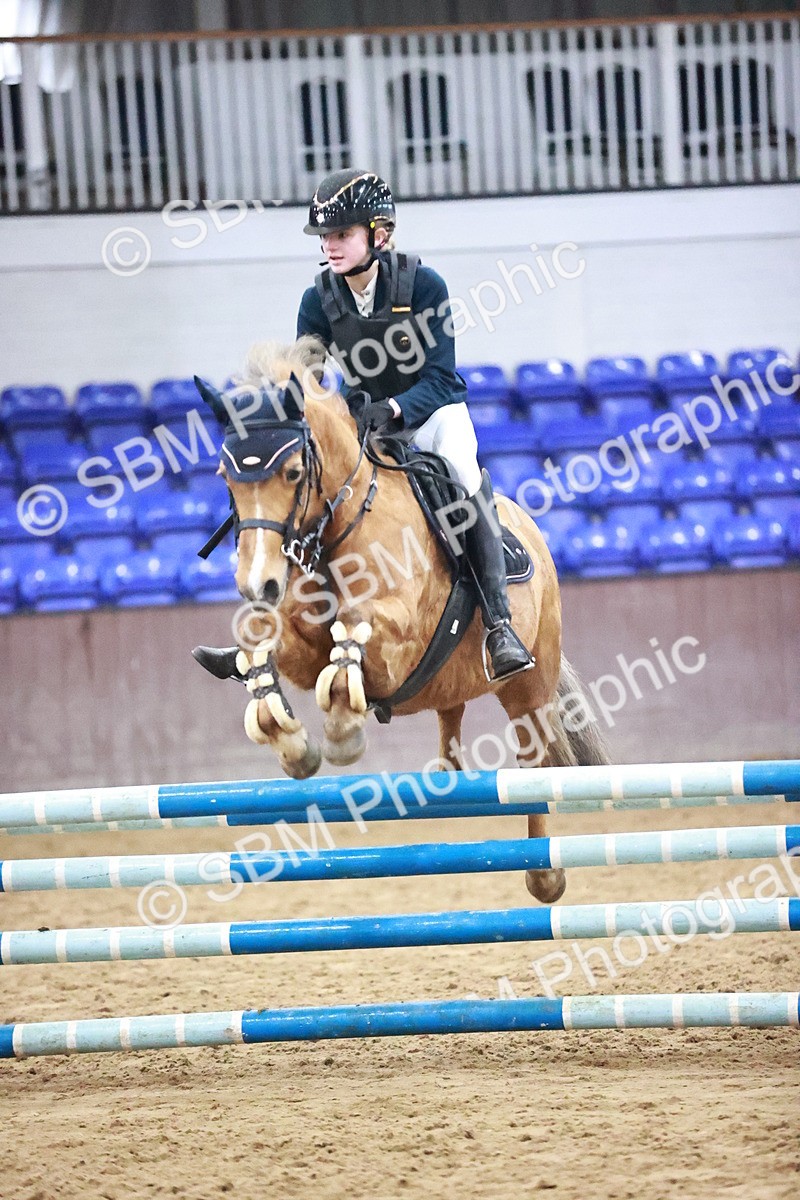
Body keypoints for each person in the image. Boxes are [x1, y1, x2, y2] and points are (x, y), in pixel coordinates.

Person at [194, 168, 532, 683]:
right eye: (326, 237)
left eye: (342, 235)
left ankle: (500, 625)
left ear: (379, 233)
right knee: (309, 490)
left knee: (464, 477)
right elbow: (305, 387)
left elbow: (442, 378)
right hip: (365, 421)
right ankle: (269, 635)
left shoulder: (424, 285)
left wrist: (395, 409)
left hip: (434, 415)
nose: (330, 246)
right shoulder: (317, 300)